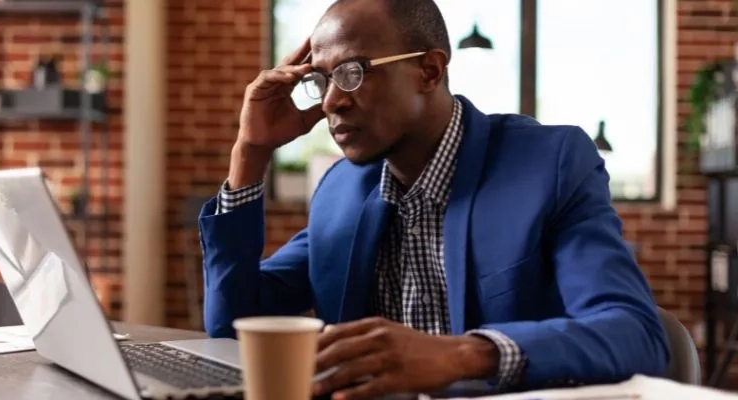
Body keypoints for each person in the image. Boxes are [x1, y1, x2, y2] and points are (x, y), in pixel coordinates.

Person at [197, 0, 670, 398]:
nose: (330, 102)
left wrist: (466, 353)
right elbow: (235, 326)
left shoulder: (548, 164)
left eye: (352, 72)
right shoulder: (341, 190)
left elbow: (634, 332)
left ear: (429, 70)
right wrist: (251, 154)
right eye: (320, 80)